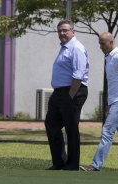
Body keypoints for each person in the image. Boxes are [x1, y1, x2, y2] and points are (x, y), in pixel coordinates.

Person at [80, 32, 118, 172]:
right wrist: (111, 103)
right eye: (99, 43)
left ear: (111, 42)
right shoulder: (109, 57)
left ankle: (96, 165)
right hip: (116, 101)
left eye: (103, 43)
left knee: (107, 131)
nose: (100, 46)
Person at [45, 20, 89, 171]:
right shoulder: (64, 48)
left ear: (73, 31)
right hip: (59, 92)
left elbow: (79, 74)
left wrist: (71, 95)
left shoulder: (76, 48)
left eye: (65, 30)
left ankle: (72, 164)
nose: (62, 33)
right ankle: (59, 162)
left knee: (71, 127)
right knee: (51, 124)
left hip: (73, 91)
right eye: (59, 31)